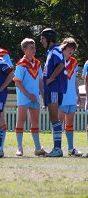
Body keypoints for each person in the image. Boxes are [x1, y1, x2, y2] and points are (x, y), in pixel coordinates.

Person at [13, 38, 47, 156]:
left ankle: (38, 147)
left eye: (34, 47)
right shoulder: (20, 64)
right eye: (31, 48)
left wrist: (42, 96)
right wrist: (29, 95)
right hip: (24, 97)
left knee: (35, 122)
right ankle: (19, 147)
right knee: (21, 121)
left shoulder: (37, 64)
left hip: (35, 97)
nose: (34, 50)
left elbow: (41, 81)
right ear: (24, 49)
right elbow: (17, 83)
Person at [40, 28, 67, 157]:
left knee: (54, 118)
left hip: (54, 88)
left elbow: (60, 65)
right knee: (53, 118)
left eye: (43, 38)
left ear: (49, 38)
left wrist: (51, 78)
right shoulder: (51, 51)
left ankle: (57, 149)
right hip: (51, 89)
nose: (41, 41)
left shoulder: (55, 50)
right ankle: (56, 148)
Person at [58, 38, 82, 157]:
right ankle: (57, 147)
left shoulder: (74, 62)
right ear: (64, 48)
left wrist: (78, 94)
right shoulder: (57, 60)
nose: (71, 50)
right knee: (58, 123)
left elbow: (75, 79)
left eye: (73, 48)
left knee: (70, 123)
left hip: (71, 96)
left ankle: (71, 148)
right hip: (61, 96)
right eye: (69, 48)